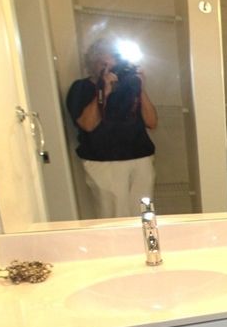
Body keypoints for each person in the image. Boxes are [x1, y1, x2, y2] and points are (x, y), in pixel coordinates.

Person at [66, 38, 159, 218]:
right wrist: (103, 91)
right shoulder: (82, 88)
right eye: (106, 64)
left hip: (141, 158)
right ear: (94, 64)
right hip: (105, 163)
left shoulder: (129, 88)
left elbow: (152, 122)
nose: (114, 69)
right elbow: (87, 124)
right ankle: (118, 247)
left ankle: (150, 245)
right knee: (114, 215)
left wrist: (140, 88)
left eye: (117, 63)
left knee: (146, 214)